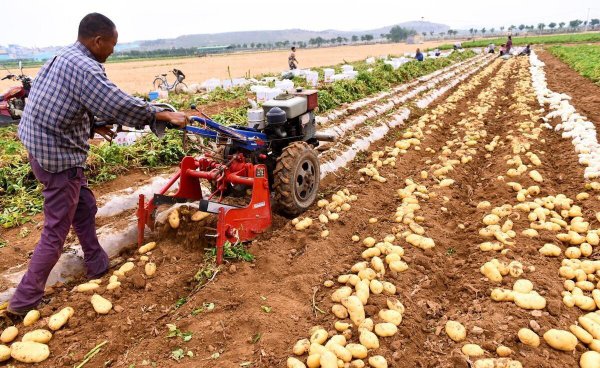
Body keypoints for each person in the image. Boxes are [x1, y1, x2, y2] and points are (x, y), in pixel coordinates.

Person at [8, 13, 187, 315]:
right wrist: (161, 114)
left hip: (40, 145)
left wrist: (93, 125)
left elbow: (67, 101)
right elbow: (115, 102)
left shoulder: (65, 56)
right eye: (112, 45)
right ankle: (23, 302)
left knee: (85, 206)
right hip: (57, 155)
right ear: (98, 40)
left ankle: (96, 264)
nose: (113, 51)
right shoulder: (86, 68)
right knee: (55, 231)